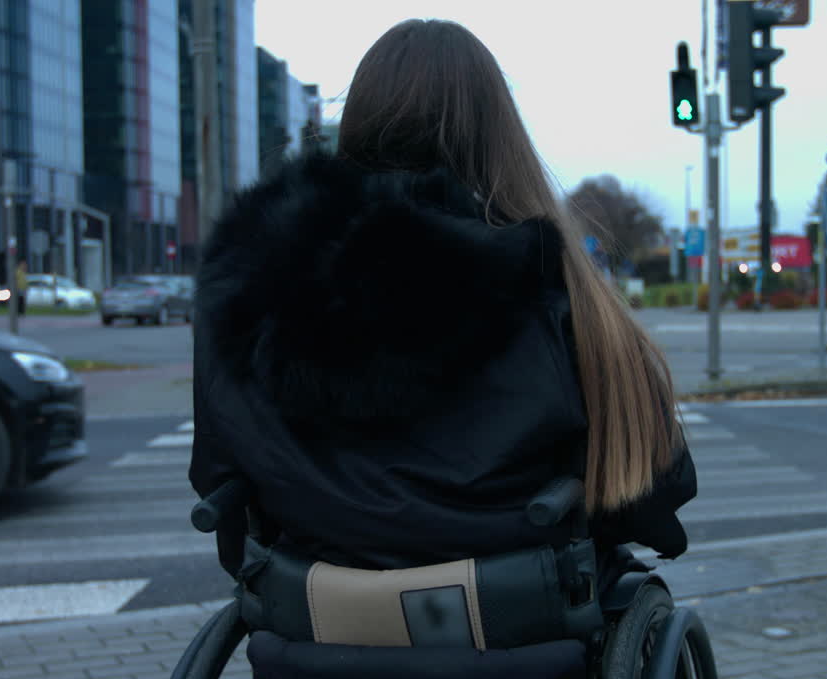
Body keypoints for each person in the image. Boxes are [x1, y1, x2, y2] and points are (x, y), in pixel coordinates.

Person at [190, 19, 695, 577]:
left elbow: (221, 477)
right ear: (499, 134)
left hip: (313, 627)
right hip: (522, 633)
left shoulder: (250, 286)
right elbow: (647, 492)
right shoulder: (555, 288)